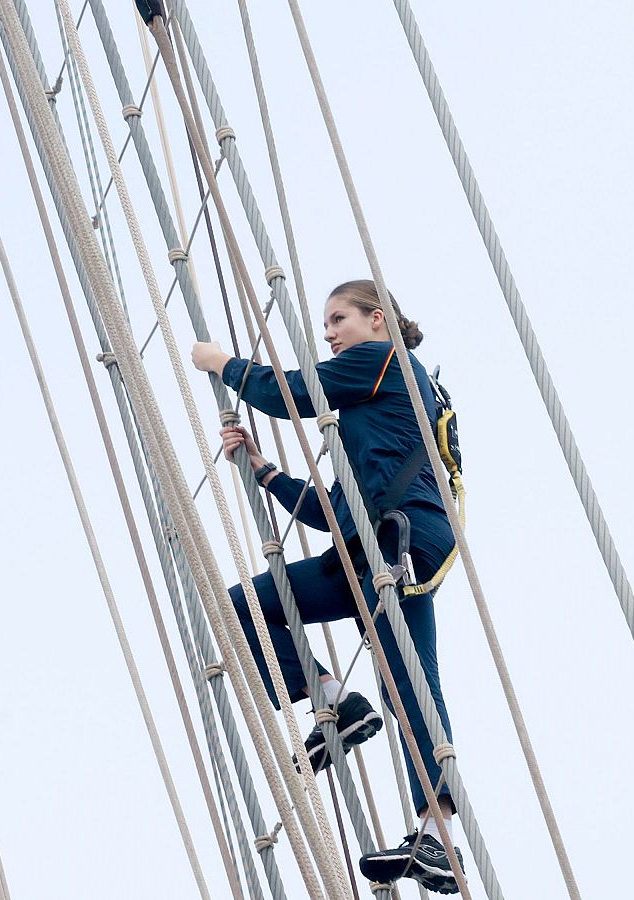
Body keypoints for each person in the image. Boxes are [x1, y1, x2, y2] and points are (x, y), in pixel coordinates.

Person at [190, 279, 465, 894]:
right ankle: (334, 701)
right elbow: (329, 513)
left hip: (403, 544)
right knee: (244, 608)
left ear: (376, 320)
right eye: (327, 324)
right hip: (363, 547)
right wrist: (263, 470)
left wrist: (221, 363)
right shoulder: (367, 423)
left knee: (411, 681)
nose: (330, 333)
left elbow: (286, 392)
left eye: (339, 319)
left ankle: (439, 833)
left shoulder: (387, 361)